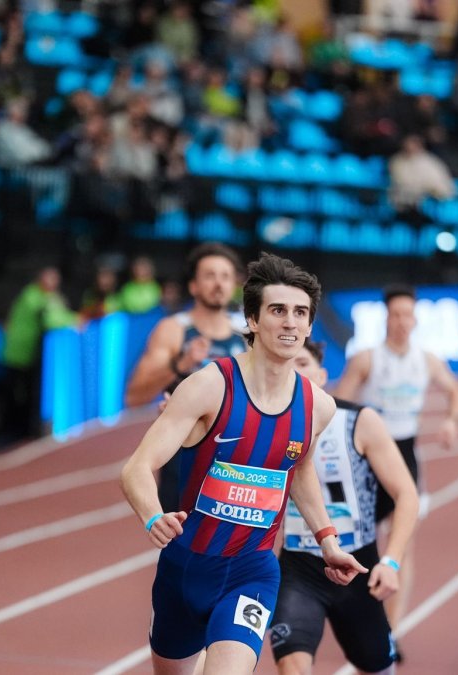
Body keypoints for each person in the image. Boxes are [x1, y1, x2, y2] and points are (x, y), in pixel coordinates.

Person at [120, 253, 368, 675]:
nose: (290, 322)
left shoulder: (317, 407)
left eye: (300, 313)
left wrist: (327, 540)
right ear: (252, 319)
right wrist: (152, 516)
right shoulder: (208, 387)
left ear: (310, 325)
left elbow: (298, 468)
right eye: (277, 310)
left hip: (251, 572)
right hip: (184, 570)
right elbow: (136, 468)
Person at [271, 339, 419, 675]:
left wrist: (391, 561)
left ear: (321, 376)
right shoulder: (268, 426)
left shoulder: (358, 421)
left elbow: (406, 494)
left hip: (358, 566)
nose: (295, 373)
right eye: (288, 366)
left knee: (377, 666)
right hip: (299, 568)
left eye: (303, 364)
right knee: (292, 665)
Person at [333, 284, 458, 639]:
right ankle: (358, 614)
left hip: (405, 453)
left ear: (416, 319)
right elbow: (337, 405)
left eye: (408, 315)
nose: (402, 322)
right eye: (396, 315)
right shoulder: (367, 359)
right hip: (368, 457)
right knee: (360, 540)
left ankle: (392, 630)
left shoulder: (427, 360)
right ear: (386, 318)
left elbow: (455, 391)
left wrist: (452, 421)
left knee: (402, 544)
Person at [125, 242, 248, 512]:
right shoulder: (174, 330)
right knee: (179, 534)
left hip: (234, 455)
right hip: (183, 456)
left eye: (225, 276)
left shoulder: (247, 335)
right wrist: (181, 364)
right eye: (210, 275)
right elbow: (134, 396)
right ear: (193, 286)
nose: (219, 284)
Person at [1, 266, 79, 440]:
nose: (53, 283)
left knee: (24, 396)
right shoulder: (35, 297)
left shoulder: (40, 296)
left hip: (24, 354)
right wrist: (76, 320)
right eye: (50, 279)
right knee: (16, 397)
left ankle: (20, 433)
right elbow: (52, 320)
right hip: (19, 354)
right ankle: (11, 435)